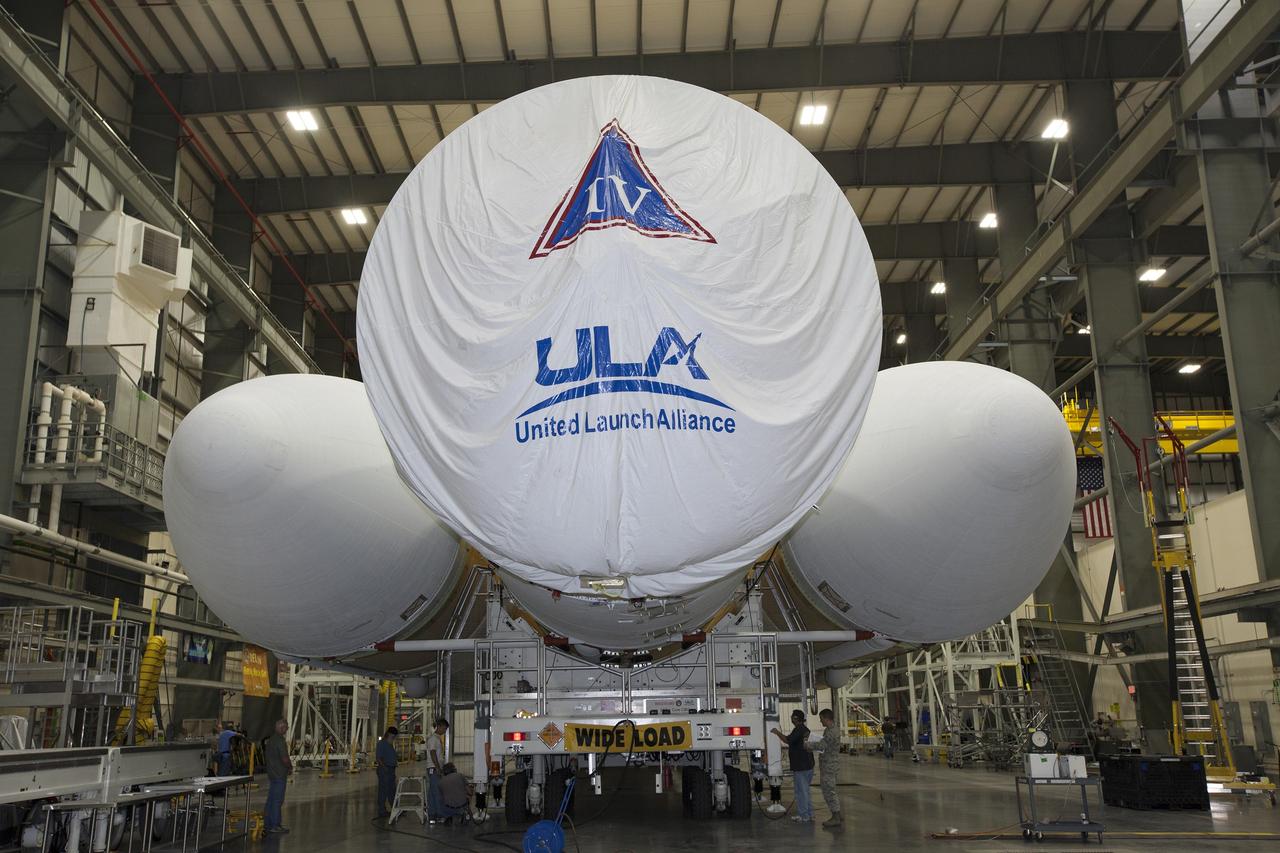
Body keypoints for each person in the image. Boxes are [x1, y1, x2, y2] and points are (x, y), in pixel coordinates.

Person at [770, 710, 814, 822]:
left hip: (800, 766)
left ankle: (803, 815)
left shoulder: (798, 730)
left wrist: (776, 732)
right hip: (808, 765)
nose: (791, 718)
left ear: (795, 718)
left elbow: (787, 740)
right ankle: (809, 814)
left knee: (801, 792)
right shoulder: (805, 730)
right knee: (805, 791)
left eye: (792, 717)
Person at [806, 708, 843, 829]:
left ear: (827, 719)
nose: (820, 721)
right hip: (830, 765)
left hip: (829, 766)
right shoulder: (831, 730)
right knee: (830, 790)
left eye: (821, 719)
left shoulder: (831, 732)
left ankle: (836, 817)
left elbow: (822, 745)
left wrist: (807, 745)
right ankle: (837, 814)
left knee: (829, 791)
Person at [263, 719, 292, 834]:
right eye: (286, 727)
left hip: (272, 773)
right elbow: (284, 758)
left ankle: (268, 823)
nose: (287, 729)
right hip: (280, 774)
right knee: (277, 801)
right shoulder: (280, 741)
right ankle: (275, 825)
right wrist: (290, 767)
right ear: (282, 727)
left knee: (271, 800)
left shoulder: (271, 740)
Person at [425, 718, 450, 823]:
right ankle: (440, 814)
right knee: (437, 792)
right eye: (444, 728)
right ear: (439, 726)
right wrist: (438, 768)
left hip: (434, 768)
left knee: (432, 793)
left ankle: (432, 815)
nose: (445, 731)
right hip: (434, 769)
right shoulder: (433, 739)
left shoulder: (437, 738)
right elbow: (433, 753)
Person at [376, 726, 399, 818]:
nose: (393, 739)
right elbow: (379, 758)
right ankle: (382, 810)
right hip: (385, 769)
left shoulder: (390, 744)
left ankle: (395, 809)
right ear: (389, 734)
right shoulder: (382, 744)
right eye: (393, 737)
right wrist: (384, 768)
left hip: (391, 769)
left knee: (391, 790)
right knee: (383, 791)